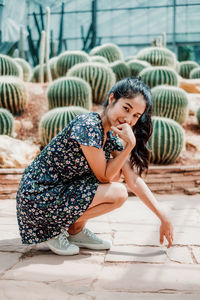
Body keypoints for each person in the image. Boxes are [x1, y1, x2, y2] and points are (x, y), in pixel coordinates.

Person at [16, 77, 173, 256]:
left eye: (136, 116)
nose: (129, 119)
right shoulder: (88, 125)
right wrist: (129, 145)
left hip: (55, 196)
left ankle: (76, 230)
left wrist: (162, 215)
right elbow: (103, 177)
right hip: (38, 198)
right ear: (112, 99)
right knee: (116, 190)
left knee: (118, 184)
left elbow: (133, 180)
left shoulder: (110, 135)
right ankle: (50, 229)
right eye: (126, 108)